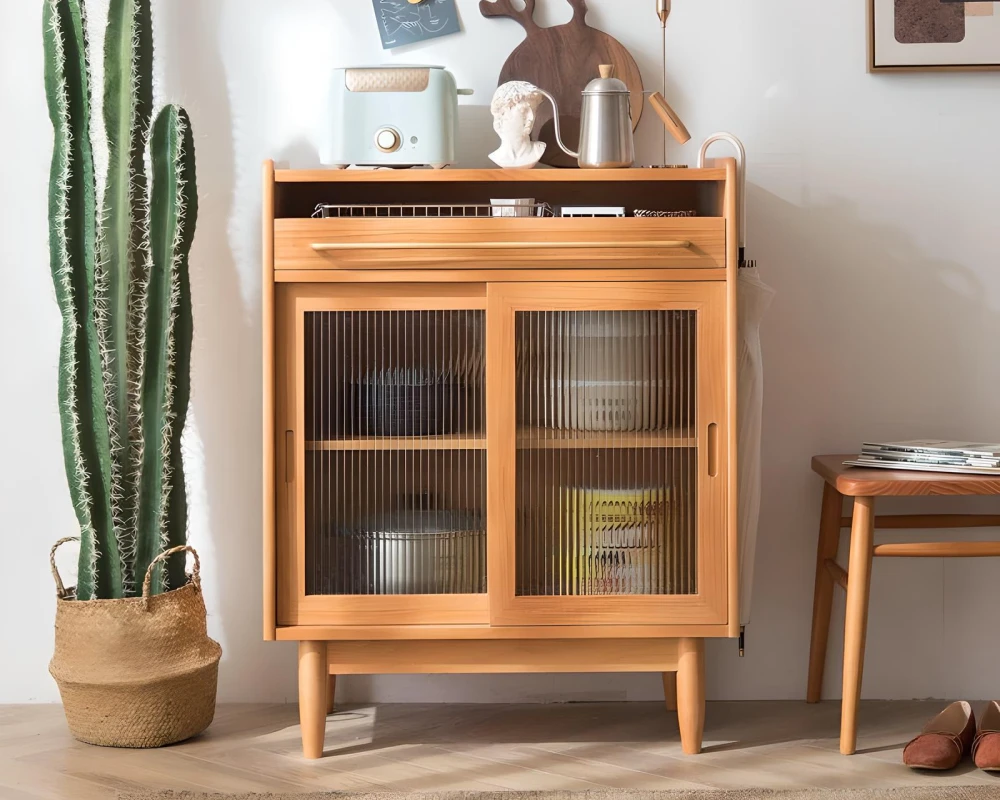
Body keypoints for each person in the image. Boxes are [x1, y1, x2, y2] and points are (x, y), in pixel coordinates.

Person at [489, 81, 547, 169]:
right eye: (524, 111)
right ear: (502, 113)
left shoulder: (538, 150)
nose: (531, 118)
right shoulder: (497, 157)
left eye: (534, 110)